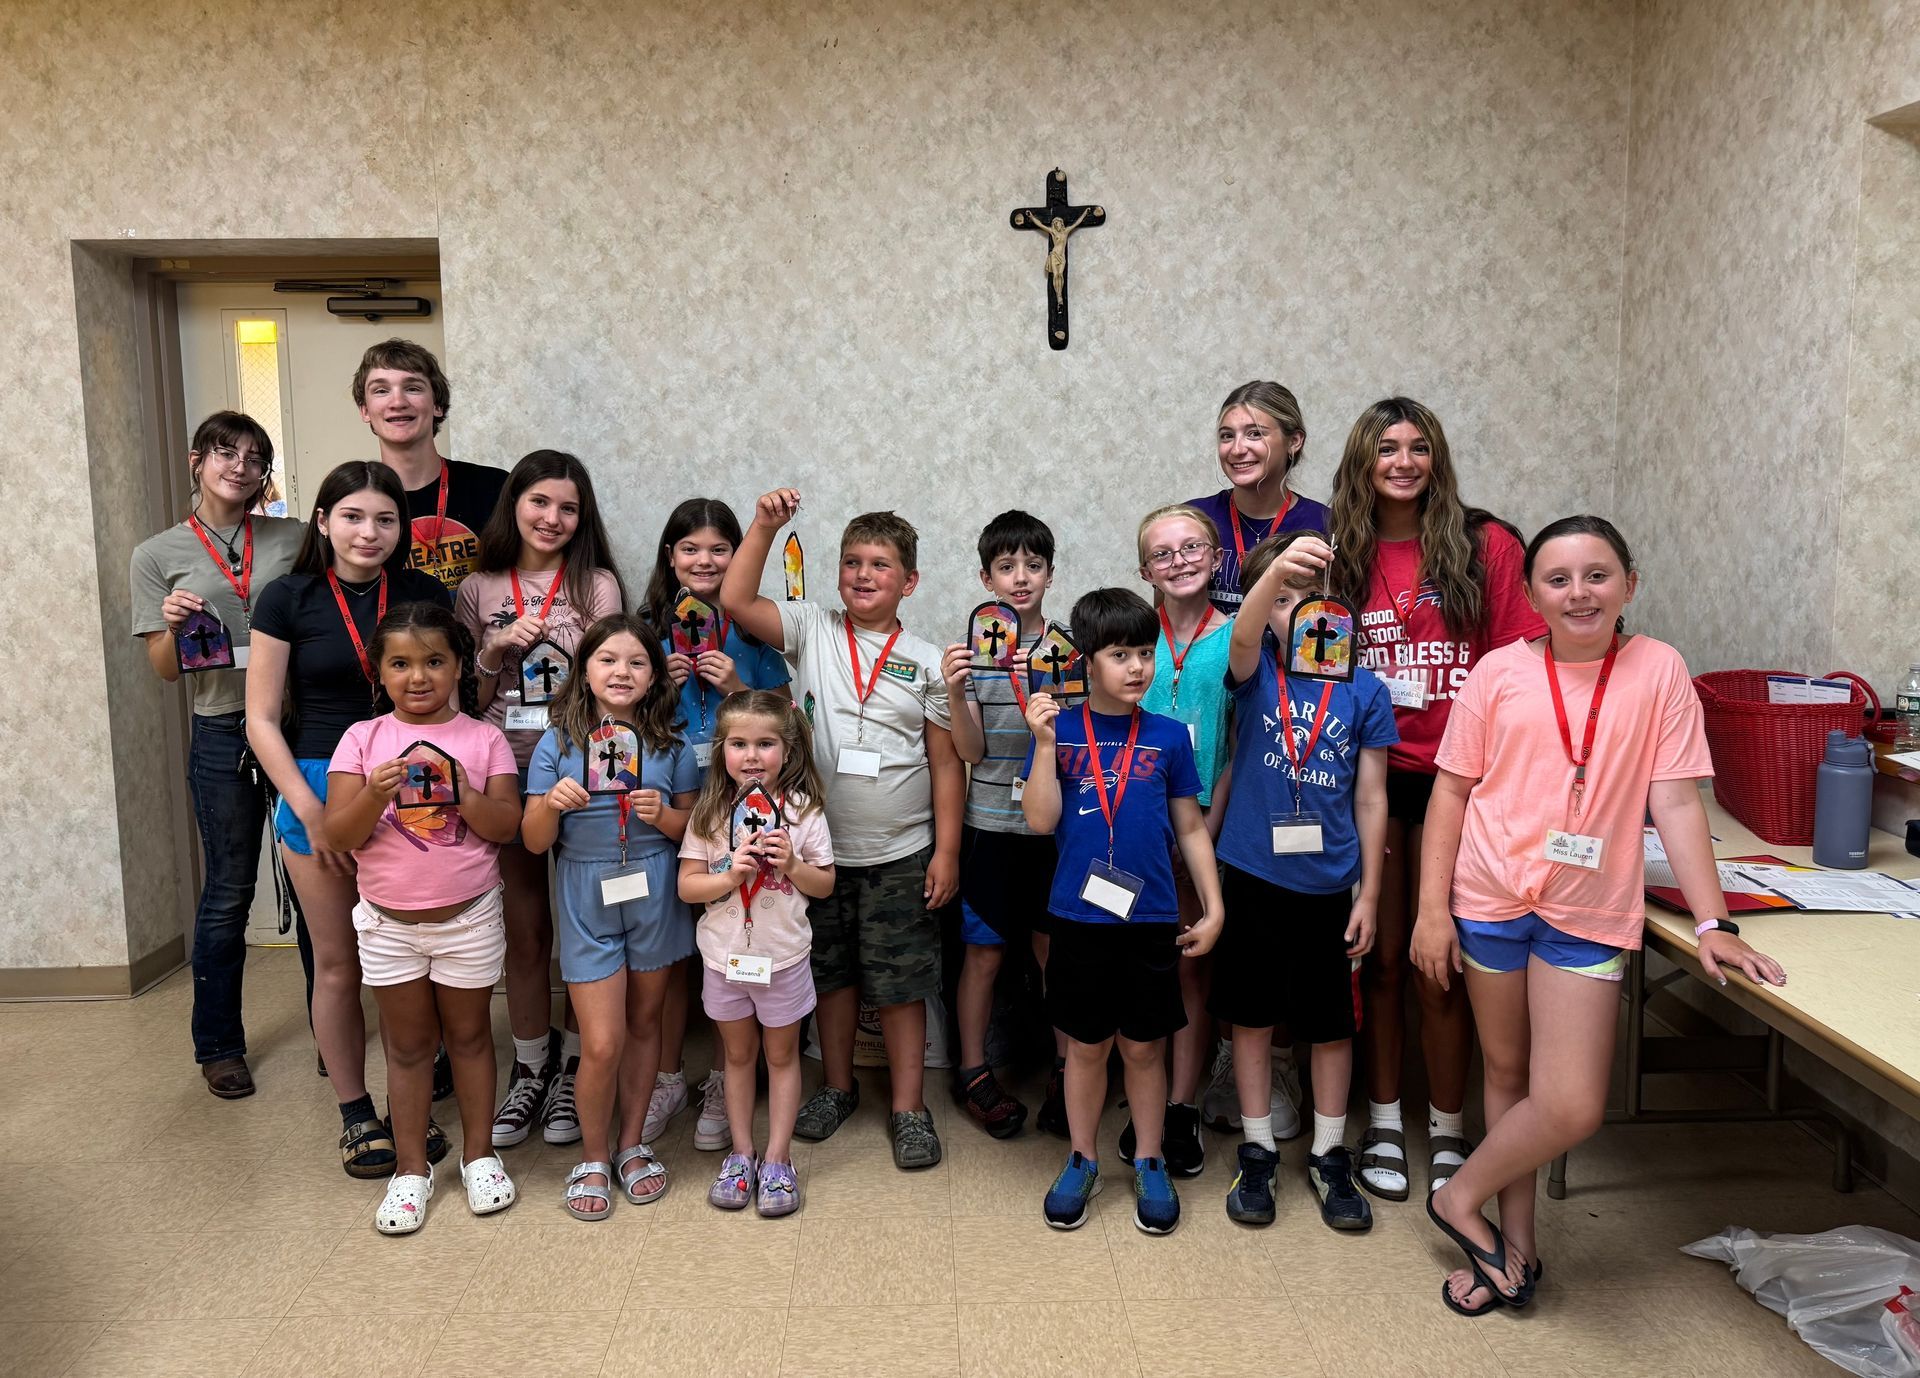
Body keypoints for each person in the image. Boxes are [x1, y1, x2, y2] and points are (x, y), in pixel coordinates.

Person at [1411, 515, 1787, 1314]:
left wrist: (1715, 923)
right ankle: (1515, 1251)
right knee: (1506, 1077)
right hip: (1491, 896)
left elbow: (1676, 802)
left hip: (1587, 909)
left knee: (1572, 1102)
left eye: (1597, 575)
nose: (1578, 593)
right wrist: (1430, 912)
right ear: (1531, 594)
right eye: (1558, 579)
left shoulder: (1659, 670)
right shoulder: (1498, 673)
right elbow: (1451, 792)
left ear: (1629, 585)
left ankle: (1456, 1196)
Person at [1288, 396, 1546, 1201]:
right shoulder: (1337, 554)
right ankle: (1383, 1121)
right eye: (1386, 448)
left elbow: (1521, 664)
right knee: (1383, 960)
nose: (1403, 462)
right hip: (1372, 777)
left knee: (1443, 967)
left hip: (1463, 782)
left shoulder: (1486, 544)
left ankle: (1448, 1127)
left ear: (1437, 458)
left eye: (1418, 447)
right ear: (1361, 462)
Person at [719, 488, 962, 1171]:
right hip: (812, 853)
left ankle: (909, 1107)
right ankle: (837, 1087)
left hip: (901, 852)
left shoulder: (925, 659)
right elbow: (736, 600)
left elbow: (946, 763)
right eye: (852, 561)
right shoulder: (813, 629)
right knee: (830, 975)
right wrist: (764, 526)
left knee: (901, 983)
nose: (863, 574)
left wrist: (946, 851)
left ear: (909, 582)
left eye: (880, 564)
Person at [246, 462, 451, 1177]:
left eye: (386, 519)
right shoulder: (287, 597)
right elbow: (260, 719)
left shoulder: (425, 593)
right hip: (317, 786)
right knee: (338, 963)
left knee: (410, 961)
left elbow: (448, 695)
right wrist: (308, 810)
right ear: (323, 521)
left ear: (402, 528)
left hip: (412, 784)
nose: (370, 532)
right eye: (353, 517)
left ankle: (408, 1105)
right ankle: (356, 1112)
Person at [1020, 588, 1224, 1235]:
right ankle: (1081, 1158)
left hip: (1151, 919)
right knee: (1086, 1048)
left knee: (1143, 1048)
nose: (1137, 667)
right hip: (1078, 920)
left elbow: (1189, 828)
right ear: (1086, 660)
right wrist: (1043, 745)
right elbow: (1039, 820)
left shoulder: (1168, 737)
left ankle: (1151, 1157)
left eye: (1145, 652)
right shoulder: (1059, 731)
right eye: (1119, 654)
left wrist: (1214, 906)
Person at [1213, 531, 1396, 1231]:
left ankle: (1327, 1153)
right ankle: (1258, 1148)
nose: (1297, 613)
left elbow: (1371, 797)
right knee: (1252, 1016)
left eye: (1312, 598)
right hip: (1253, 874)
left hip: (1330, 887)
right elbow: (1242, 634)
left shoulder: (1365, 691)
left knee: (1329, 1024)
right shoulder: (1257, 671)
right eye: (1282, 601)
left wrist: (1369, 894)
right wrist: (1275, 580)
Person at [325, 602, 522, 1233]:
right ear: (379, 671)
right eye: (401, 664)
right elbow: (340, 835)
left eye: (435, 661)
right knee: (408, 1048)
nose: (418, 677)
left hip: (469, 921)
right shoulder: (361, 740)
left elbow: (506, 826)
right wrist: (373, 792)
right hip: (388, 927)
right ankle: (410, 1170)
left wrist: (464, 790)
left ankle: (480, 1156)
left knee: (470, 1038)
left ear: (460, 666)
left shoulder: (485, 739)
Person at [454, 450, 627, 1152]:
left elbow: (615, 683)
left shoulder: (597, 585)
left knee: (590, 928)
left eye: (568, 508)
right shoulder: (478, 587)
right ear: (514, 505)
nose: (553, 518)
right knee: (526, 931)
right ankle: (531, 1067)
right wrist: (494, 647)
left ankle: (579, 1067)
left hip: (582, 771)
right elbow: (467, 700)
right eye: (540, 502)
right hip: (505, 769)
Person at [131, 411, 306, 1097]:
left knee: (315, 879)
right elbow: (164, 671)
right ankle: (219, 1047)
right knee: (229, 890)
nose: (240, 466)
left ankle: (333, 1032)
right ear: (196, 460)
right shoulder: (157, 554)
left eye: (255, 458)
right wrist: (171, 628)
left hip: (296, 726)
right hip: (221, 729)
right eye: (226, 453)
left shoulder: (295, 537)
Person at [523, 613, 699, 1217]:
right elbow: (534, 841)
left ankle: (630, 1146)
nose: (622, 671)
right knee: (601, 1042)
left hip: (655, 887)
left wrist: (663, 816)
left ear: (654, 676)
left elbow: (695, 832)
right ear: (584, 670)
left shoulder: (672, 744)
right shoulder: (556, 743)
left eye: (636, 662)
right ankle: (593, 1155)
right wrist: (551, 805)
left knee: (646, 1024)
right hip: (585, 889)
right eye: (607, 659)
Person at [639, 499, 791, 1152]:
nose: (704, 561)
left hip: (742, 810)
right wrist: (658, 687)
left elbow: (788, 720)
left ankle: (727, 1077)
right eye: (690, 549)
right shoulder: (650, 631)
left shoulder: (751, 630)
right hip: (670, 811)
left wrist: (735, 689)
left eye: (719, 549)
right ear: (670, 557)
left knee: (740, 937)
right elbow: (618, 713)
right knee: (675, 951)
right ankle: (669, 1076)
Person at [679, 691, 836, 1216]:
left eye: (765, 744)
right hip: (724, 960)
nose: (751, 756)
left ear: (787, 750)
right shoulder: (709, 812)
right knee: (738, 1057)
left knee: (782, 1056)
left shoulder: (803, 811)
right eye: (739, 744)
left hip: (783, 960)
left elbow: (825, 884)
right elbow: (687, 886)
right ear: (721, 750)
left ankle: (778, 1158)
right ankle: (741, 1153)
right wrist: (728, 876)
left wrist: (791, 865)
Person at [1118, 503, 1237, 1174]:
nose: (1180, 561)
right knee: (1139, 967)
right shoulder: (1133, 640)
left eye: (1192, 547)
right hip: (1131, 830)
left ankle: (1180, 1105)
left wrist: (1206, 836)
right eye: (1162, 553)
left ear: (1215, 557)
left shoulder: (1239, 639)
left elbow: (1238, 746)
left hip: (1202, 828)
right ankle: (1143, 1095)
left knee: (1190, 965)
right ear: (1145, 571)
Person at [938, 509, 1062, 1140]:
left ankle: (1068, 1069)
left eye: (1033, 566)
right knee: (983, 953)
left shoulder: (1066, 650)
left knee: (1052, 950)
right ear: (986, 578)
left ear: (1049, 574)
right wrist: (957, 692)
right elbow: (971, 752)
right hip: (989, 827)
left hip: (1052, 830)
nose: (1021, 578)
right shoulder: (975, 654)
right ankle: (972, 1071)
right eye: (1007, 567)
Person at [351, 338, 506, 594]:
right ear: (365, 410)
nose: (397, 402)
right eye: (381, 390)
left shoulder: (497, 487)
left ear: (437, 405)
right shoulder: (352, 503)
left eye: (412, 388)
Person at [1186, 382, 1331, 615]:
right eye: (1227, 436)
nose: (1236, 449)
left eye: (1254, 434)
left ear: (1294, 441)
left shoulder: (1325, 524)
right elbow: (1165, 620)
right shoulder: (1191, 520)